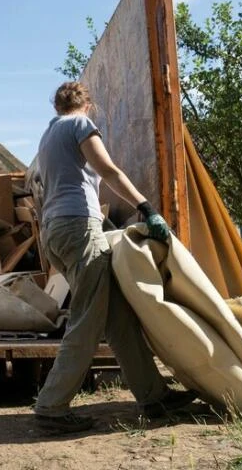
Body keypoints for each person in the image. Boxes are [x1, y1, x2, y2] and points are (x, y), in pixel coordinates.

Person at [33, 81, 197, 434]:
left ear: (56, 105)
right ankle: (51, 405)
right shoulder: (79, 125)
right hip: (77, 227)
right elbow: (108, 170)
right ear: (88, 105)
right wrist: (146, 208)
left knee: (117, 316)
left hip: (55, 231)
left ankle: (154, 397)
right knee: (87, 318)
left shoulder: (48, 136)